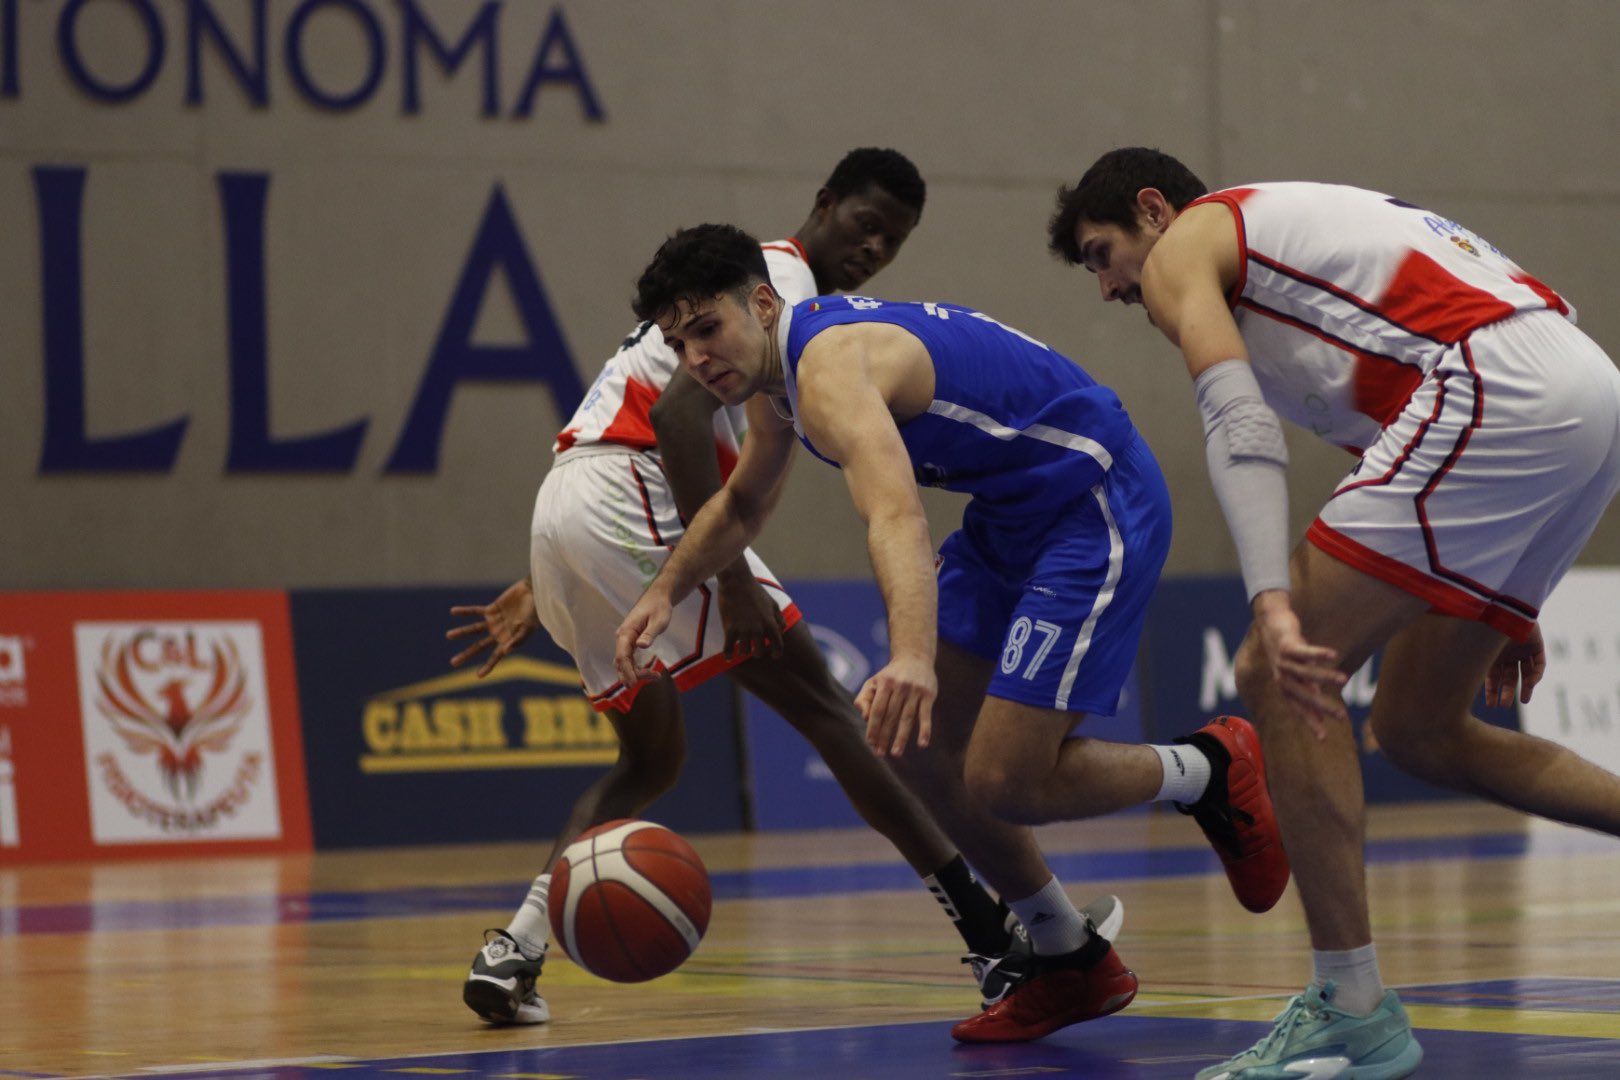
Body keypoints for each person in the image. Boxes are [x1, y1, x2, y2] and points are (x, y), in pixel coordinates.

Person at [450, 149, 1112, 1028]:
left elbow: (624, 431)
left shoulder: (754, 301)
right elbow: (679, 418)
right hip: (632, 495)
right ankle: (994, 943)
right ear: (823, 206)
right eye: (862, 223)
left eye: (893, 238)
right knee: (835, 717)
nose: (873, 247)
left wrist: (547, 578)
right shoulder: (772, 288)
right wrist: (730, 580)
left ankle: (516, 948)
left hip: (572, 504)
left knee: (651, 760)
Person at [613, 222, 1290, 1043]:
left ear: (761, 303)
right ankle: (1067, 953)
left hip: (1093, 499)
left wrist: (911, 655)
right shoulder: (779, 380)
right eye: (679, 344)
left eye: (707, 330)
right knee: (904, 747)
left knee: (1005, 779)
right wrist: (669, 588)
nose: (696, 358)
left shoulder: (829, 368)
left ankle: (1209, 768)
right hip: (1014, 515)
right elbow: (746, 503)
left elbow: (894, 512)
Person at [1052, 146, 1620, 1079]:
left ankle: (1349, 1004)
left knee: (1274, 669)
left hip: (1495, 386)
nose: (1111, 286)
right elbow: (1400, 436)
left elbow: (1236, 424)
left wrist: (1273, 600)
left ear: (1153, 210)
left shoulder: (1189, 244)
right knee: (1418, 729)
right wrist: (1504, 590)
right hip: (1576, 387)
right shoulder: (1297, 265)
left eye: (1101, 252)